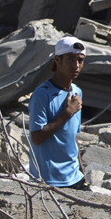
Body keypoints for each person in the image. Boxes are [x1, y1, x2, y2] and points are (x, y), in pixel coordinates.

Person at [27, 36, 86, 188]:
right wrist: (67, 113)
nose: (76, 65)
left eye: (80, 60)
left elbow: (73, 136)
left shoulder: (77, 92)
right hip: (50, 180)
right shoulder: (42, 94)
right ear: (57, 60)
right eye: (70, 59)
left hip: (74, 177)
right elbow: (37, 138)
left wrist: (81, 170)